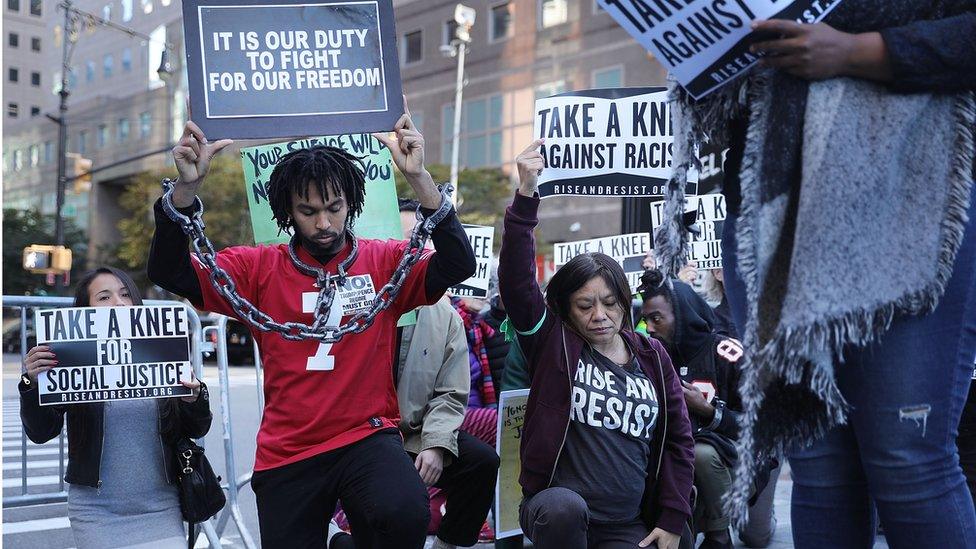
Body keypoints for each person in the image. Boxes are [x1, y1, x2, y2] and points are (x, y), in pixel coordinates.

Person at [656, 6, 976, 547]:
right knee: (819, 466)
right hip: (769, 210)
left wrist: (857, 51)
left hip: (909, 198)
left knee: (905, 461)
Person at [148, 112, 476, 547]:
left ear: (351, 203)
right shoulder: (256, 267)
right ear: (288, 212)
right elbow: (170, 272)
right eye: (308, 211)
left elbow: (458, 265)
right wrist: (185, 191)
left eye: (334, 208)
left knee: (403, 511)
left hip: (366, 435)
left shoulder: (383, 260)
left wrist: (419, 179)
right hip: (289, 449)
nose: (323, 224)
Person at [498, 140, 695, 549]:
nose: (599, 315)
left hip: (627, 525)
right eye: (585, 305)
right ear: (567, 311)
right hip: (559, 516)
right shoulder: (554, 344)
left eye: (610, 303)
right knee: (563, 510)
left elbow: (678, 438)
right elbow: (517, 283)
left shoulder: (652, 356)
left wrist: (673, 518)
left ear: (627, 304)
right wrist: (526, 195)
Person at [330, 200, 499, 549]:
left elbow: (450, 393)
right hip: (355, 438)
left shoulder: (443, 313)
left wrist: (437, 444)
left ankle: (447, 544)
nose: (411, 250)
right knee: (397, 509)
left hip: (412, 434)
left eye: (419, 241)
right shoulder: (346, 303)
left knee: (481, 463)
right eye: (402, 240)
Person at [19, 267, 212, 549]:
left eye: (124, 295)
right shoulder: (70, 361)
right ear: (85, 311)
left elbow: (197, 427)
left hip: (161, 508)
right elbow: (41, 432)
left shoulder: (162, 355)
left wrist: (195, 398)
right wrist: (31, 383)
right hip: (97, 514)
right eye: (104, 297)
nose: (118, 304)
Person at [638, 269, 744, 549]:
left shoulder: (727, 354)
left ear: (682, 314)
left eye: (656, 318)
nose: (649, 327)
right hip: (681, 464)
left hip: (737, 460)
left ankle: (720, 534)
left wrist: (709, 411)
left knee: (756, 533)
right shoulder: (653, 357)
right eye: (645, 319)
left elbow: (757, 426)